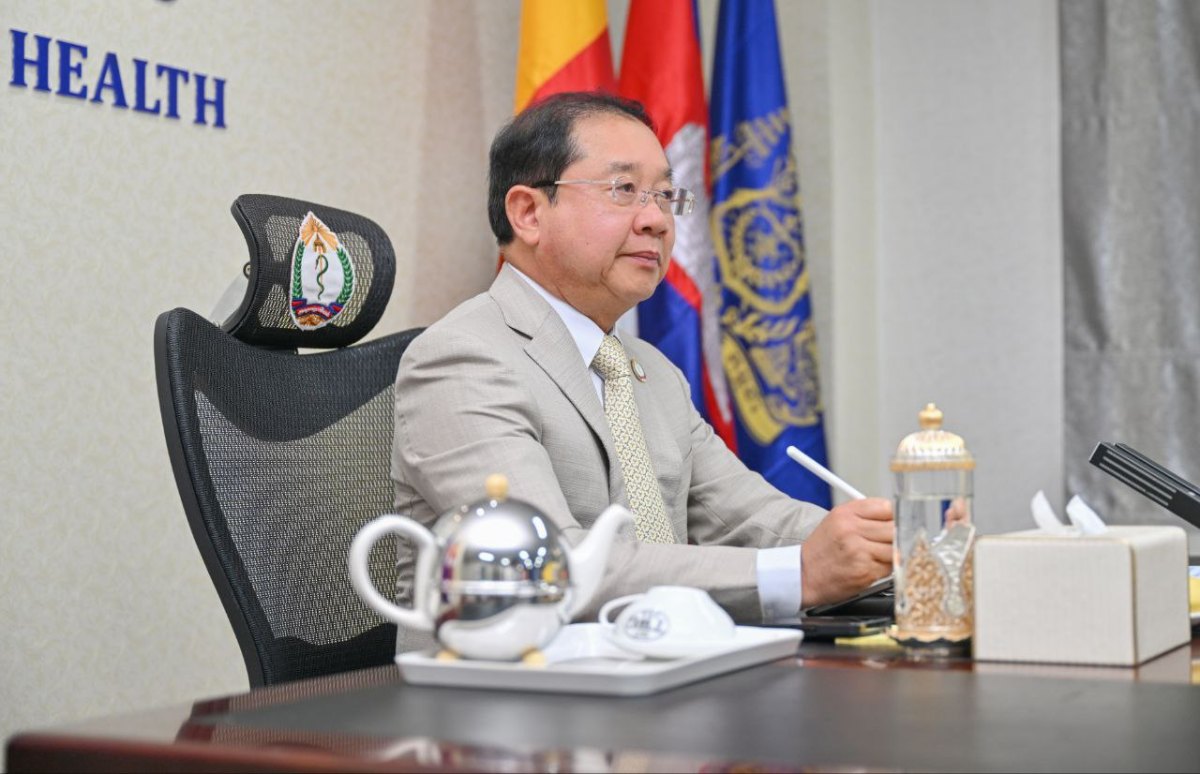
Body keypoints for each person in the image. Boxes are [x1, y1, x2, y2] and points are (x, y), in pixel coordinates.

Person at [391, 92, 892, 649]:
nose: (656, 221)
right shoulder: (461, 358)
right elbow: (550, 566)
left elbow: (753, 518)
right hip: (512, 689)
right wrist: (800, 573)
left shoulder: (651, 370)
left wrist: (896, 550)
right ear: (529, 212)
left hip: (662, 670)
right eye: (624, 189)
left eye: (664, 195)